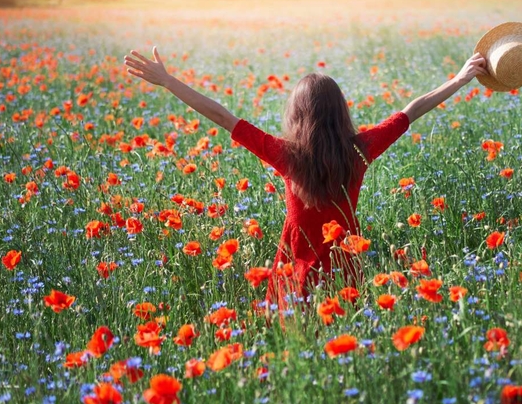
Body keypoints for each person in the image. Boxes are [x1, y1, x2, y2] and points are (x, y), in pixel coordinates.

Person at [124, 47, 488, 309]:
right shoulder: (360, 149)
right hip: (345, 269)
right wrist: (458, 79)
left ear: (298, 115)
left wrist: (170, 82)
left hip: (294, 272)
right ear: (340, 111)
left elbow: (222, 116)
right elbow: (413, 110)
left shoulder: (287, 156)